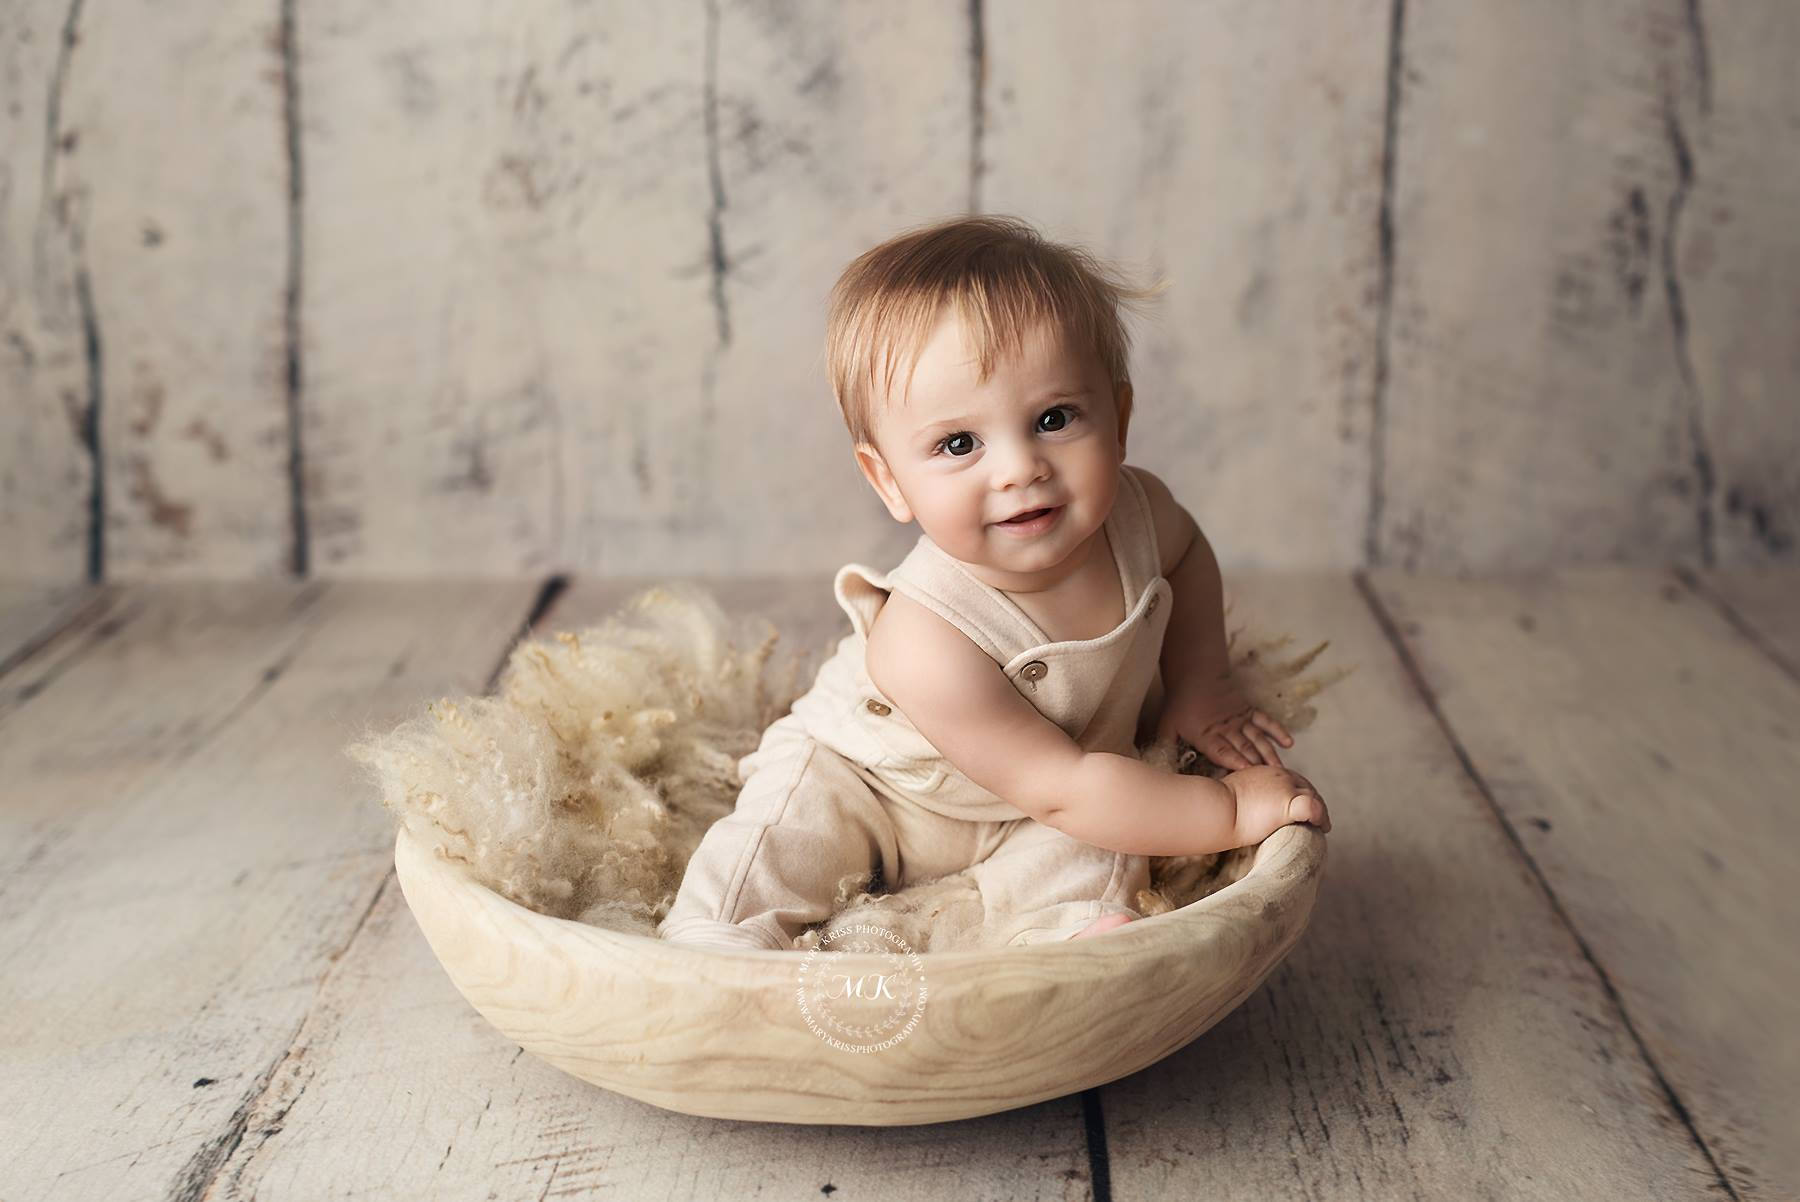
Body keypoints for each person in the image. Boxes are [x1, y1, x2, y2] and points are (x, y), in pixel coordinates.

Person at [657, 214, 1329, 952]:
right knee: (788, 829)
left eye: (1053, 418)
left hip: (1045, 795)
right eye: (958, 443)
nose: (1019, 468)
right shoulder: (924, 638)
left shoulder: (1144, 517)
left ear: (1120, 416)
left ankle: (1062, 944)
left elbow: (1188, 557)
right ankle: (712, 941)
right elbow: (1060, 785)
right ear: (889, 479)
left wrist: (1204, 686)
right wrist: (1227, 812)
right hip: (879, 784)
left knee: (1117, 824)